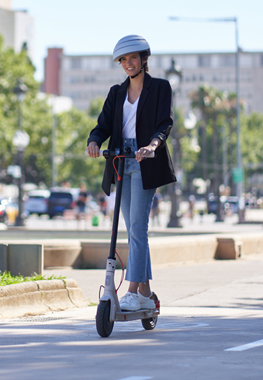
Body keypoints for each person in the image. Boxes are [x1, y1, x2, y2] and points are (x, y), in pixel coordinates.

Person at [86, 35, 176, 311]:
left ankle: (133, 292)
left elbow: (165, 123)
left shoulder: (160, 87)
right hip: (121, 162)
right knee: (133, 232)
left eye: (132, 58)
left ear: (143, 59)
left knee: (137, 229)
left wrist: (152, 146)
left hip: (145, 162)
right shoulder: (116, 93)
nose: (128, 63)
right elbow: (103, 125)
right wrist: (93, 141)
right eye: (123, 60)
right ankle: (147, 294)